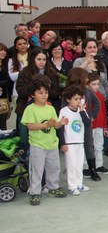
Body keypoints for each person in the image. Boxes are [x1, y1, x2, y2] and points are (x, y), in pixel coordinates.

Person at [22, 75, 68, 206]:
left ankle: (52, 187)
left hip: (52, 144)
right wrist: (46, 125)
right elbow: (30, 126)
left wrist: (61, 123)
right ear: (33, 94)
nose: (44, 95)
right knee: (36, 170)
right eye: (40, 93)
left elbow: (55, 124)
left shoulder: (51, 108)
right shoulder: (30, 109)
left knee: (54, 167)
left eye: (46, 92)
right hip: (37, 145)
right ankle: (35, 192)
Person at [59, 85, 90, 196]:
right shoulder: (64, 111)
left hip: (79, 141)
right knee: (71, 165)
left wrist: (82, 111)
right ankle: (71, 186)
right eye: (75, 99)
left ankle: (79, 184)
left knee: (79, 164)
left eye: (79, 99)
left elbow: (88, 123)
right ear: (68, 99)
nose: (78, 102)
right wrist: (62, 143)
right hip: (69, 142)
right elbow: (61, 128)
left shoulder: (82, 110)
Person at [88, 72, 108, 175]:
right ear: (88, 84)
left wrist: (105, 127)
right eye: (93, 84)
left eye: (98, 84)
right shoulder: (86, 96)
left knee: (99, 146)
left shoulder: (100, 96)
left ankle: (99, 165)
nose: (96, 86)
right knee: (89, 146)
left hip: (100, 125)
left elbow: (103, 112)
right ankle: (87, 166)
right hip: (90, 126)